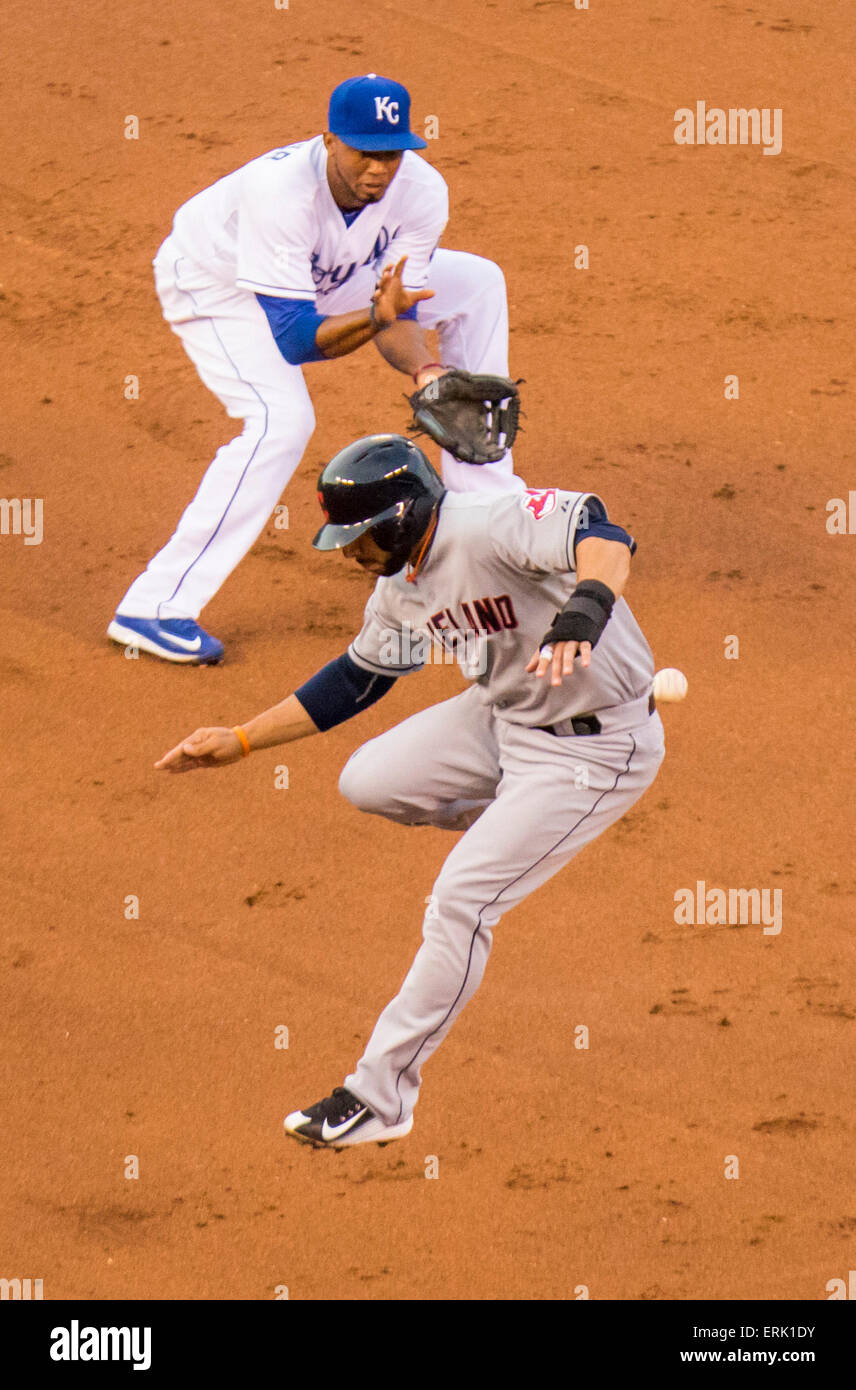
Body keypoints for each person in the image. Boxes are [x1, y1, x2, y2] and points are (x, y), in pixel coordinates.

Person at [155, 435, 666, 1148]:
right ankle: (515, 821)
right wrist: (241, 739)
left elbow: (602, 535)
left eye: (357, 538)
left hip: (594, 748)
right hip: (503, 718)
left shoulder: (488, 525)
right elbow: (356, 682)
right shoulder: (398, 591)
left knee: (460, 901)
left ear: (400, 516)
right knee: (367, 780)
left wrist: (583, 612)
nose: (347, 554)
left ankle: (379, 1097)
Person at [109, 74, 519, 666]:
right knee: (281, 421)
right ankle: (155, 606)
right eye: (364, 153)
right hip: (220, 284)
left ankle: (482, 517)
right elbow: (299, 340)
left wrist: (428, 371)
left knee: (479, 282)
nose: (380, 169)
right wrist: (376, 315)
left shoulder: (423, 192)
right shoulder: (281, 194)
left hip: (329, 273)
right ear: (329, 140)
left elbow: (398, 307)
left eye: (392, 153)